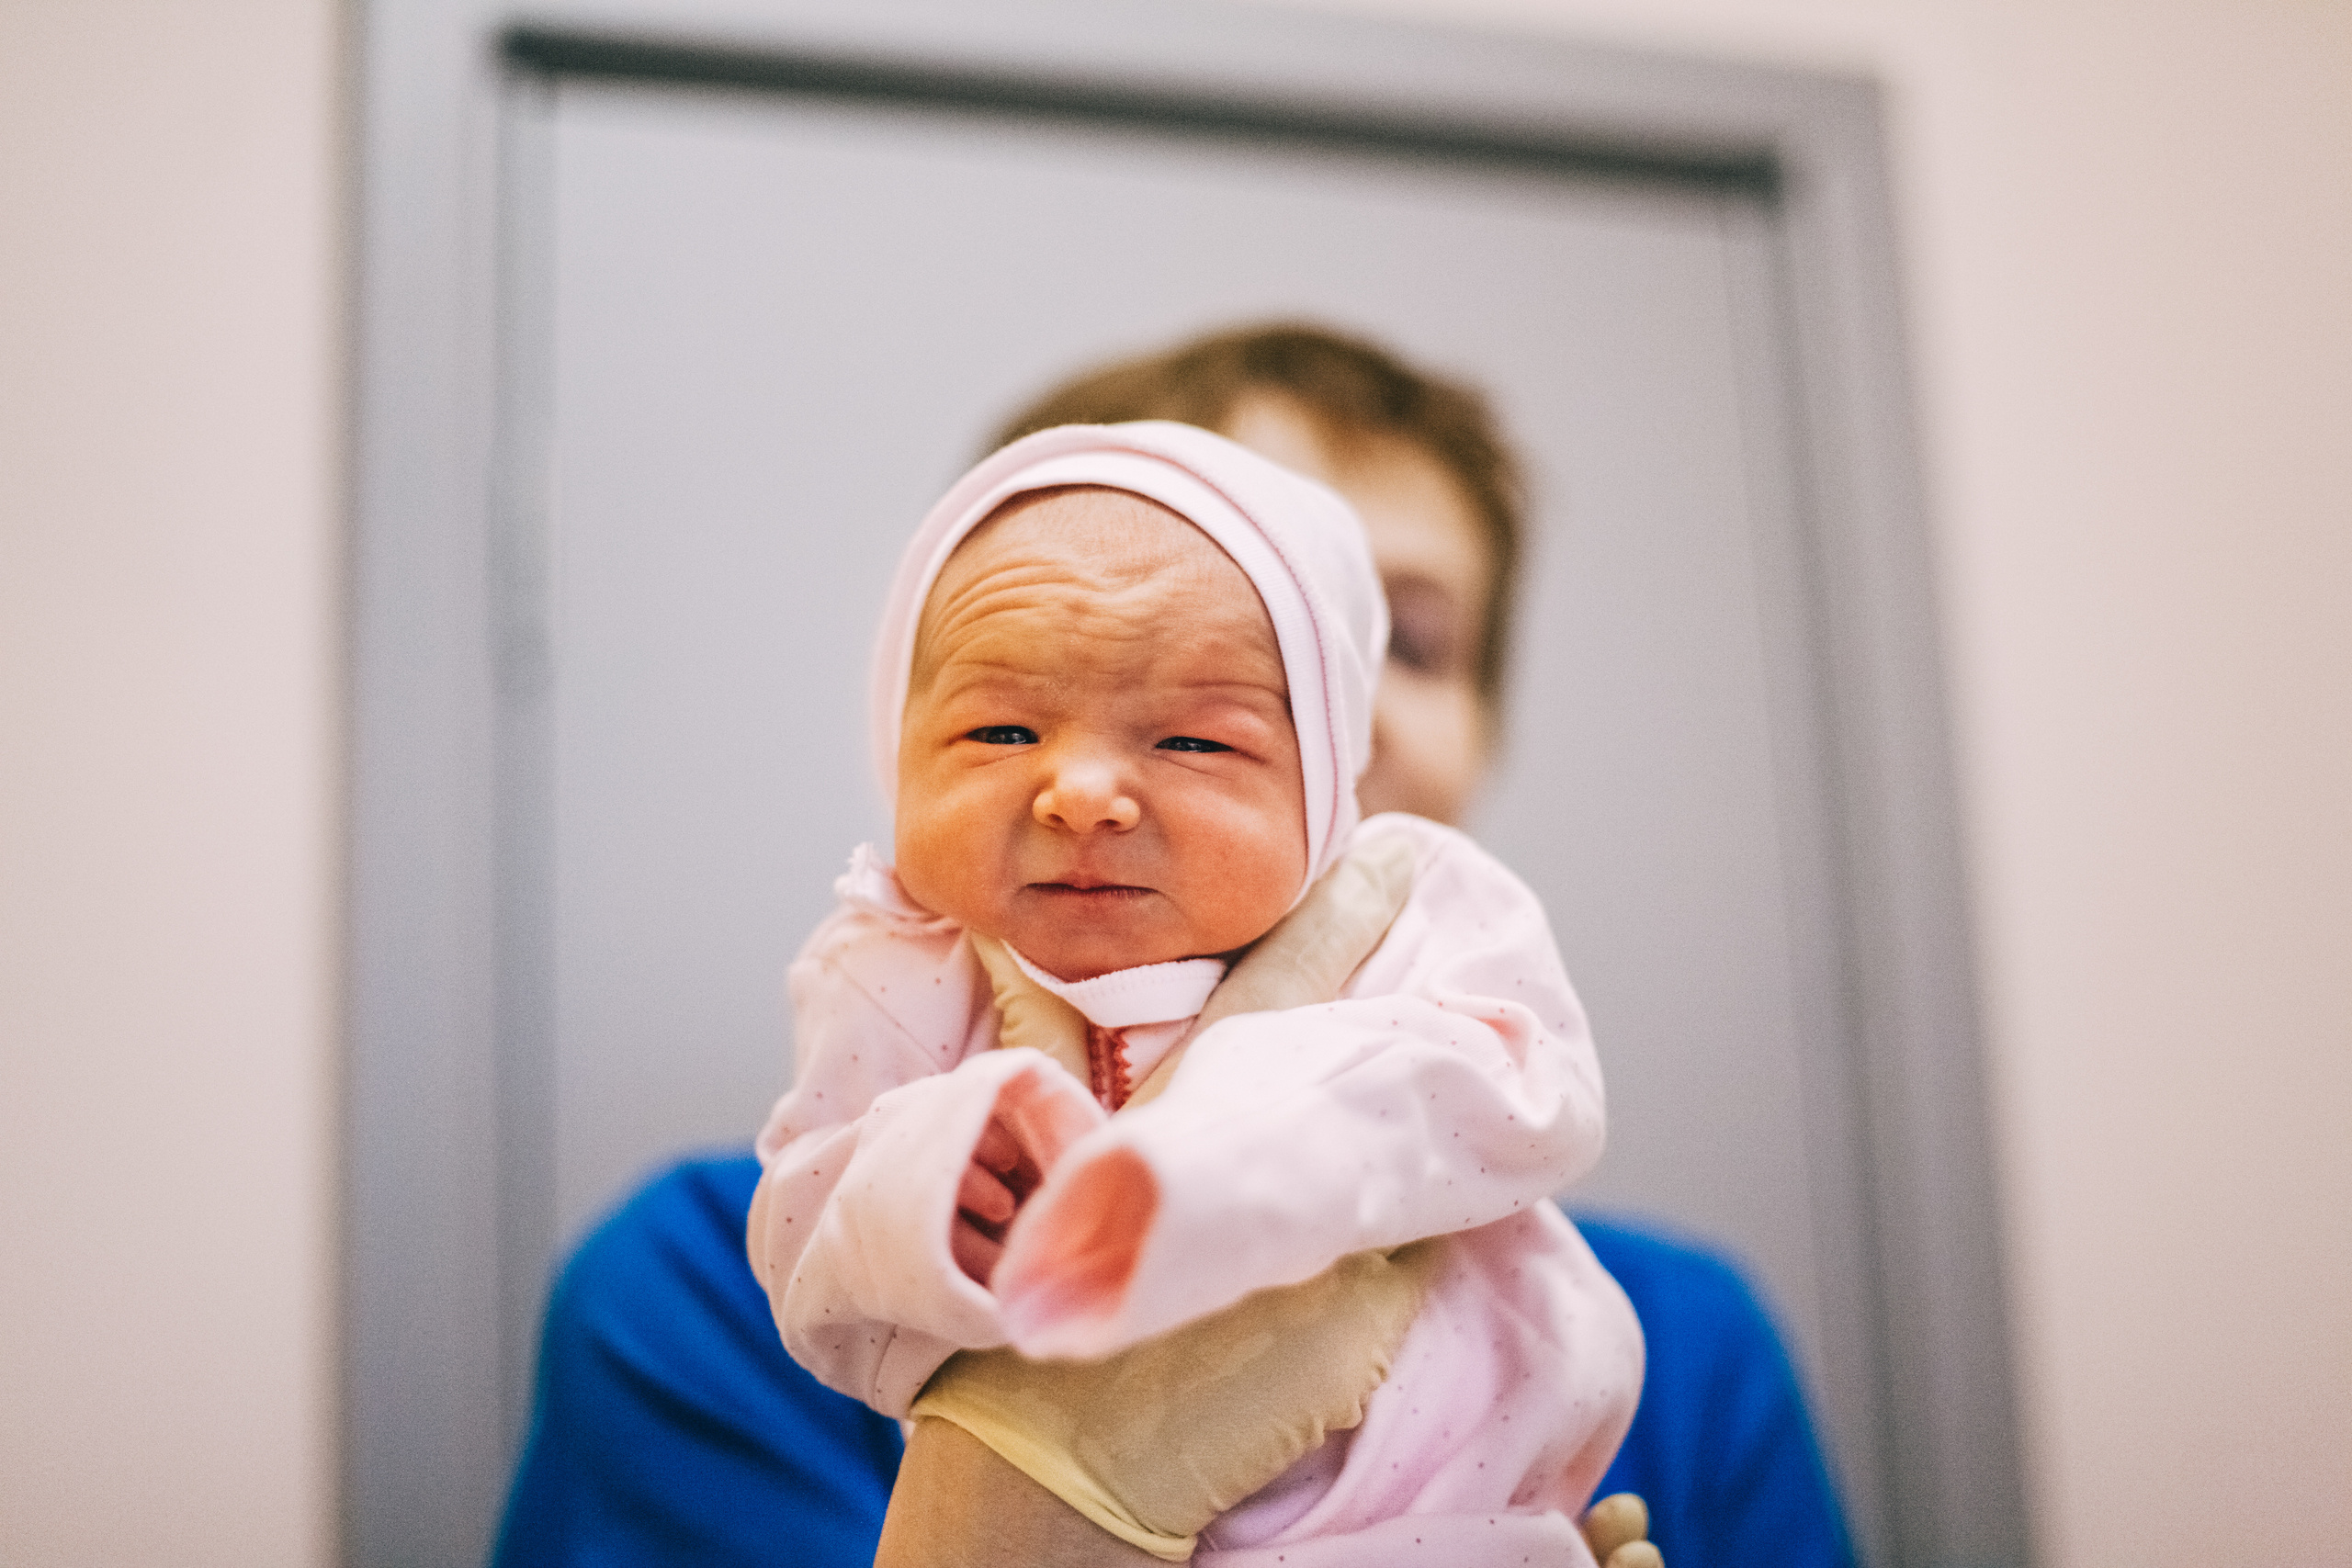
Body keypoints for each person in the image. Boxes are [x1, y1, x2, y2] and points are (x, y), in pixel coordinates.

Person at [493, 325, 1856, 1568]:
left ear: (1485, 727)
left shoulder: (1680, 1344)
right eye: (1225, 616)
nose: (1335, 709)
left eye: (1404, 645)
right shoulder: (698, 1285)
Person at [745, 421, 1642, 1562]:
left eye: (1189, 741)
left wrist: (1229, 1146)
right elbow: (810, 1254)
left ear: (1328, 769)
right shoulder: (887, 974)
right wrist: (927, 1193)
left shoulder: (1415, 904)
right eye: (1000, 727)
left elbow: (1528, 1092)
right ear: (899, 750)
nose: (1078, 791)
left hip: (1443, 1512)